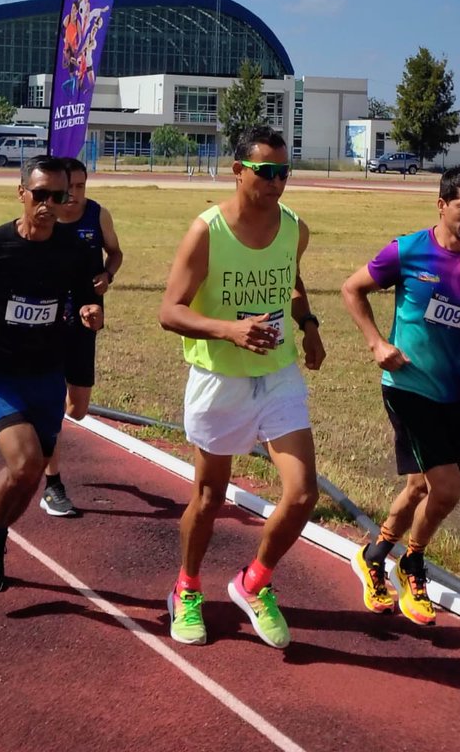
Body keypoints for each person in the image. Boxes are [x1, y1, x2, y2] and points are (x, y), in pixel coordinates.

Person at [158, 125, 326, 649]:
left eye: (284, 173)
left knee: (301, 495)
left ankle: (254, 582)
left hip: (277, 374)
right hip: (219, 378)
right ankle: (186, 587)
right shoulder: (207, 231)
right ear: (237, 171)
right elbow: (170, 311)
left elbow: (292, 281)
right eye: (266, 172)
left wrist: (310, 325)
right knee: (209, 498)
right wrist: (230, 329)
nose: (276, 183)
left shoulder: (295, 228)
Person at [341, 165, 460, 626]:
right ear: (442, 205)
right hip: (409, 386)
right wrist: (376, 343)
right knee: (447, 489)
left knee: (421, 486)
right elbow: (352, 289)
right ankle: (412, 563)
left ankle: (375, 553)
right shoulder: (408, 251)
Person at [0, 155, 102, 593]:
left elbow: (86, 293)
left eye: (60, 195)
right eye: (41, 194)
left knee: (28, 477)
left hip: (47, 376)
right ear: (22, 193)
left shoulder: (76, 250)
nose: (50, 204)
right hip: (0, 376)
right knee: (27, 462)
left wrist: (90, 309)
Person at [40, 156, 124, 517]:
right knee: (51, 403)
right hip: (48, 322)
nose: (74, 194)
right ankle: (52, 483)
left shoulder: (97, 215)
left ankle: (42, 424)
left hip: (88, 321)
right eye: (68, 187)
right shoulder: (47, 218)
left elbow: (116, 252)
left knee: (78, 409)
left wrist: (107, 275)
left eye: (81, 187)